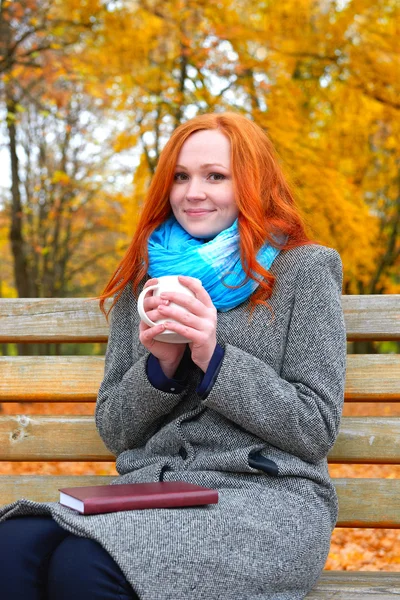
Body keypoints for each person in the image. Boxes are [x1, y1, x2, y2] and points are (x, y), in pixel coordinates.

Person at [0, 112, 347, 600]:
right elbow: (116, 431)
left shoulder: (303, 270)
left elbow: (314, 428)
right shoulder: (145, 281)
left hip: (267, 499)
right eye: (180, 177)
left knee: (86, 569)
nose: (193, 192)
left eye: (215, 176)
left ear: (254, 183)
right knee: (11, 546)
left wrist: (212, 353)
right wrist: (158, 367)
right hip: (154, 489)